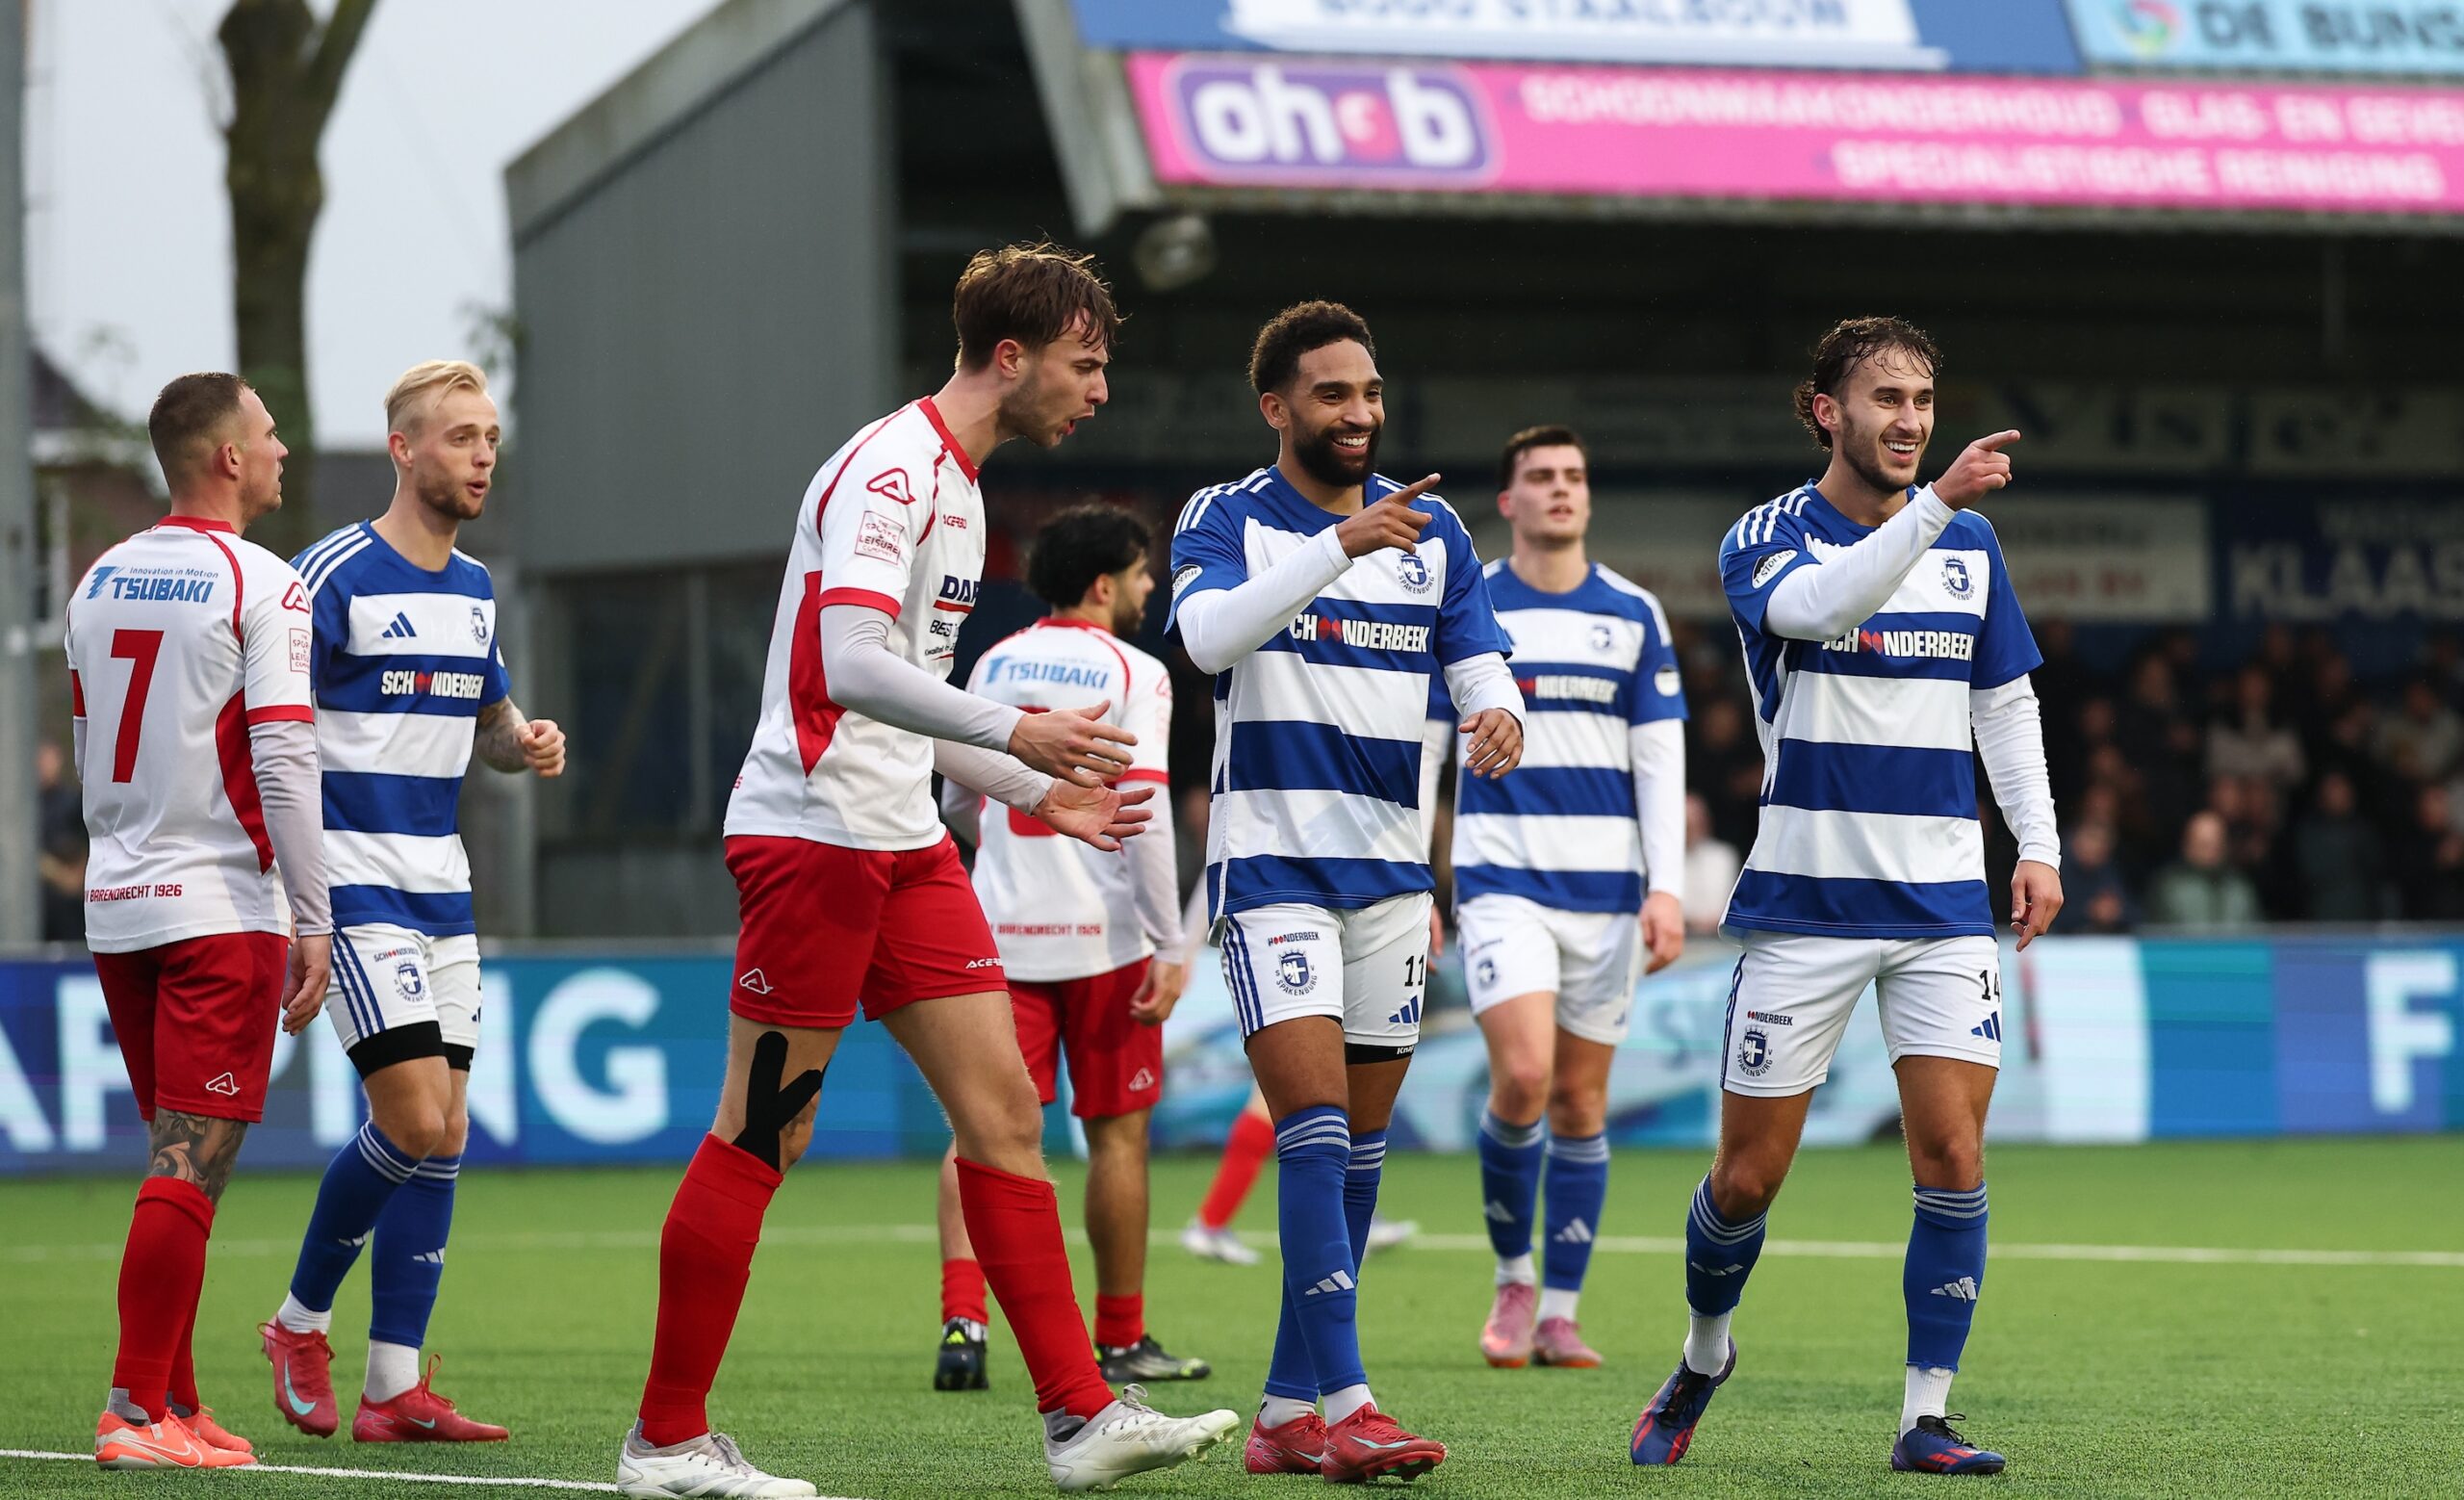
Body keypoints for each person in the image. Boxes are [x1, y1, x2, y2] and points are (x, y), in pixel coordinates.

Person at [616, 245, 1237, 1499]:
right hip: (813, 837)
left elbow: (903, 706)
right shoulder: (893, 470)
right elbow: (846, 664)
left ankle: (1077, 1416)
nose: (1100, 389)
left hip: (899, 837)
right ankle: (667, 1440)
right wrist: (1016, 738)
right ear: (1013, 358)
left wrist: (1030, 791)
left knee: (1006, 1116)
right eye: (1087, 362)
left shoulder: (960, 484)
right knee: (760, 1132)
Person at [1631, 317, 2061, 1477]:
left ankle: (1924, 1416)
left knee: (1953, 1158)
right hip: (1805, 909)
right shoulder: (1766, 537)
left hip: (1939, 911)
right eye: (1885, 398)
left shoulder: (1970, 547)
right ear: (1826, 408)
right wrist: (1933, 509)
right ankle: (1705, 1351)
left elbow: (2004, 705)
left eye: (1923, 398)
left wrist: (2038, 844)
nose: (1910, 420)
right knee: (1746, 1178)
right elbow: (1814, 610)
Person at [1168, 300, 1524, 1484]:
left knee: (1360, 1150)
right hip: (1272, 866)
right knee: (1314, 1129)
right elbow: (1209, 641)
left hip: (1388, 875)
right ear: (1277, 407)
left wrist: (1495, 710)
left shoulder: (1436, 536)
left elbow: (1476, 655)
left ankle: (1281, 1413)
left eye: (1369, 390)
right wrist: (1339, 546)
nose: (1360, 412)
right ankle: (1349, 1399)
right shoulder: (1225, 518)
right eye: (1332, 393)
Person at [259, 362, 564, 1445]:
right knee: (414, 1117)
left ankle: (394, 1387)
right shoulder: (329, 573)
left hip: (443, 885)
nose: (483, 456)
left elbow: (487, 718)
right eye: (461, 438)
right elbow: (265, 724)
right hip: (352, 882)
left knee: (446, 1135)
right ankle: (298, 1322)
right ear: (403, 448)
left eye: (490, 438)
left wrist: (521, 743)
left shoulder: (475, 588)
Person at [69, 373, 333, 1469]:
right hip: (219, 905)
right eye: (267, 435)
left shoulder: (98, 576)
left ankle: (175, 1400)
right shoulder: (261, 582)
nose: (280, 450)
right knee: (189, 1165)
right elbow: (280, 750)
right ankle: (135, 1412)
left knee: (176, 1157)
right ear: (227, 456)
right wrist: (314, 913)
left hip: (118, 902)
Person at [1420, 425, 1686, 1371]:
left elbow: (1658, 760)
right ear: (1508, 499)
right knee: (1524, 1079)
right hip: (1501, 883)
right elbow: (1431, 748)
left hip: (1608, 894)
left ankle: (1562, 1310)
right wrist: (1422, 872)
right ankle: (1512, 1275)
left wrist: (1667, 887)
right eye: (1539, 476)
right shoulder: (1469, 604)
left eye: (1574, 475)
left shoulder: (1633, 613)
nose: (1561, 489)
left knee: (1580, 1101)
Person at [930, 503, 1209, 1391]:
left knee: (979, 1132)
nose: (1150, 587)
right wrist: (1170, 940)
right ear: (1104, 585)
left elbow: (957, 805)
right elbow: (1150, 813)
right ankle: (1121, 1337)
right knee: (1117, 1137)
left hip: (1000, 933)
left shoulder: (992, 661)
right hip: (1107, 939)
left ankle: (963, 1323)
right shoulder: (1137, 669)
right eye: (1140, 574)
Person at [2143, 811, 2261, 929]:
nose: (2212, 851)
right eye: (2204, 844)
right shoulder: (2168, 888)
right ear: (2187, 846)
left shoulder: (2240, 888)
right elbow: (2156, 938)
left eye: (2217, 843)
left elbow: (2258, 933)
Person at [36, 740, 88, 943]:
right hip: (39, 907)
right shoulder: (26, 805)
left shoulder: (71, 803)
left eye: (49, 759)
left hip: (70, 912)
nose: (44, 765)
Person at [1681, 794, 1740, 937]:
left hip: (1719, 942)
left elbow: (1724, 908)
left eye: (1694, 823)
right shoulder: (1664, 861)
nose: (1690, 830)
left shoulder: (1723, 856)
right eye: (1686, 824)